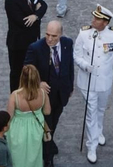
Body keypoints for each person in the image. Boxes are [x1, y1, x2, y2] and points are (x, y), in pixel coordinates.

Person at [75, 4, 113, 163]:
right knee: (91, 112)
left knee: (101, 109)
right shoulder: (84, 34)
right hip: (87, 81)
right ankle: (92, 146)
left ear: (105, 22)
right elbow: (76, 55)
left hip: (104, 81)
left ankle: (98, 131)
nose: (93, 20)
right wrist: (85, 65)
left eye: (97, 18)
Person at [23, 19, 76, 158]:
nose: (50, 39)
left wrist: (70, 85)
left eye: (54, 36)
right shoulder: (35, 48)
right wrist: (38, 82)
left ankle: (48, 142)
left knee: (55, 120)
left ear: (61, 35)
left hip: (61, 93)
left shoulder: (67, 44)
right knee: (47, 123)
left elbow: (69, 65)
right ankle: (47, 155)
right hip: (44, 96)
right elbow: (27, 69)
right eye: (47, 35)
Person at [8, 62, 51, 167]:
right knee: (33, 158)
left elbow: (9, 116)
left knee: (18, 160)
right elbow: (47, 111)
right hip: (35, 129)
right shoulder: (42, 94)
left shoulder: (15, 95)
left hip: (18, 130)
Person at [4, 0, 49, 88]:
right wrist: (36, 9)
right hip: (18, 44)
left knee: (33, 69)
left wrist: (35, 15)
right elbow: (24, 22)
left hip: (33, 40)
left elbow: (44, 5)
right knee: (17, 73)